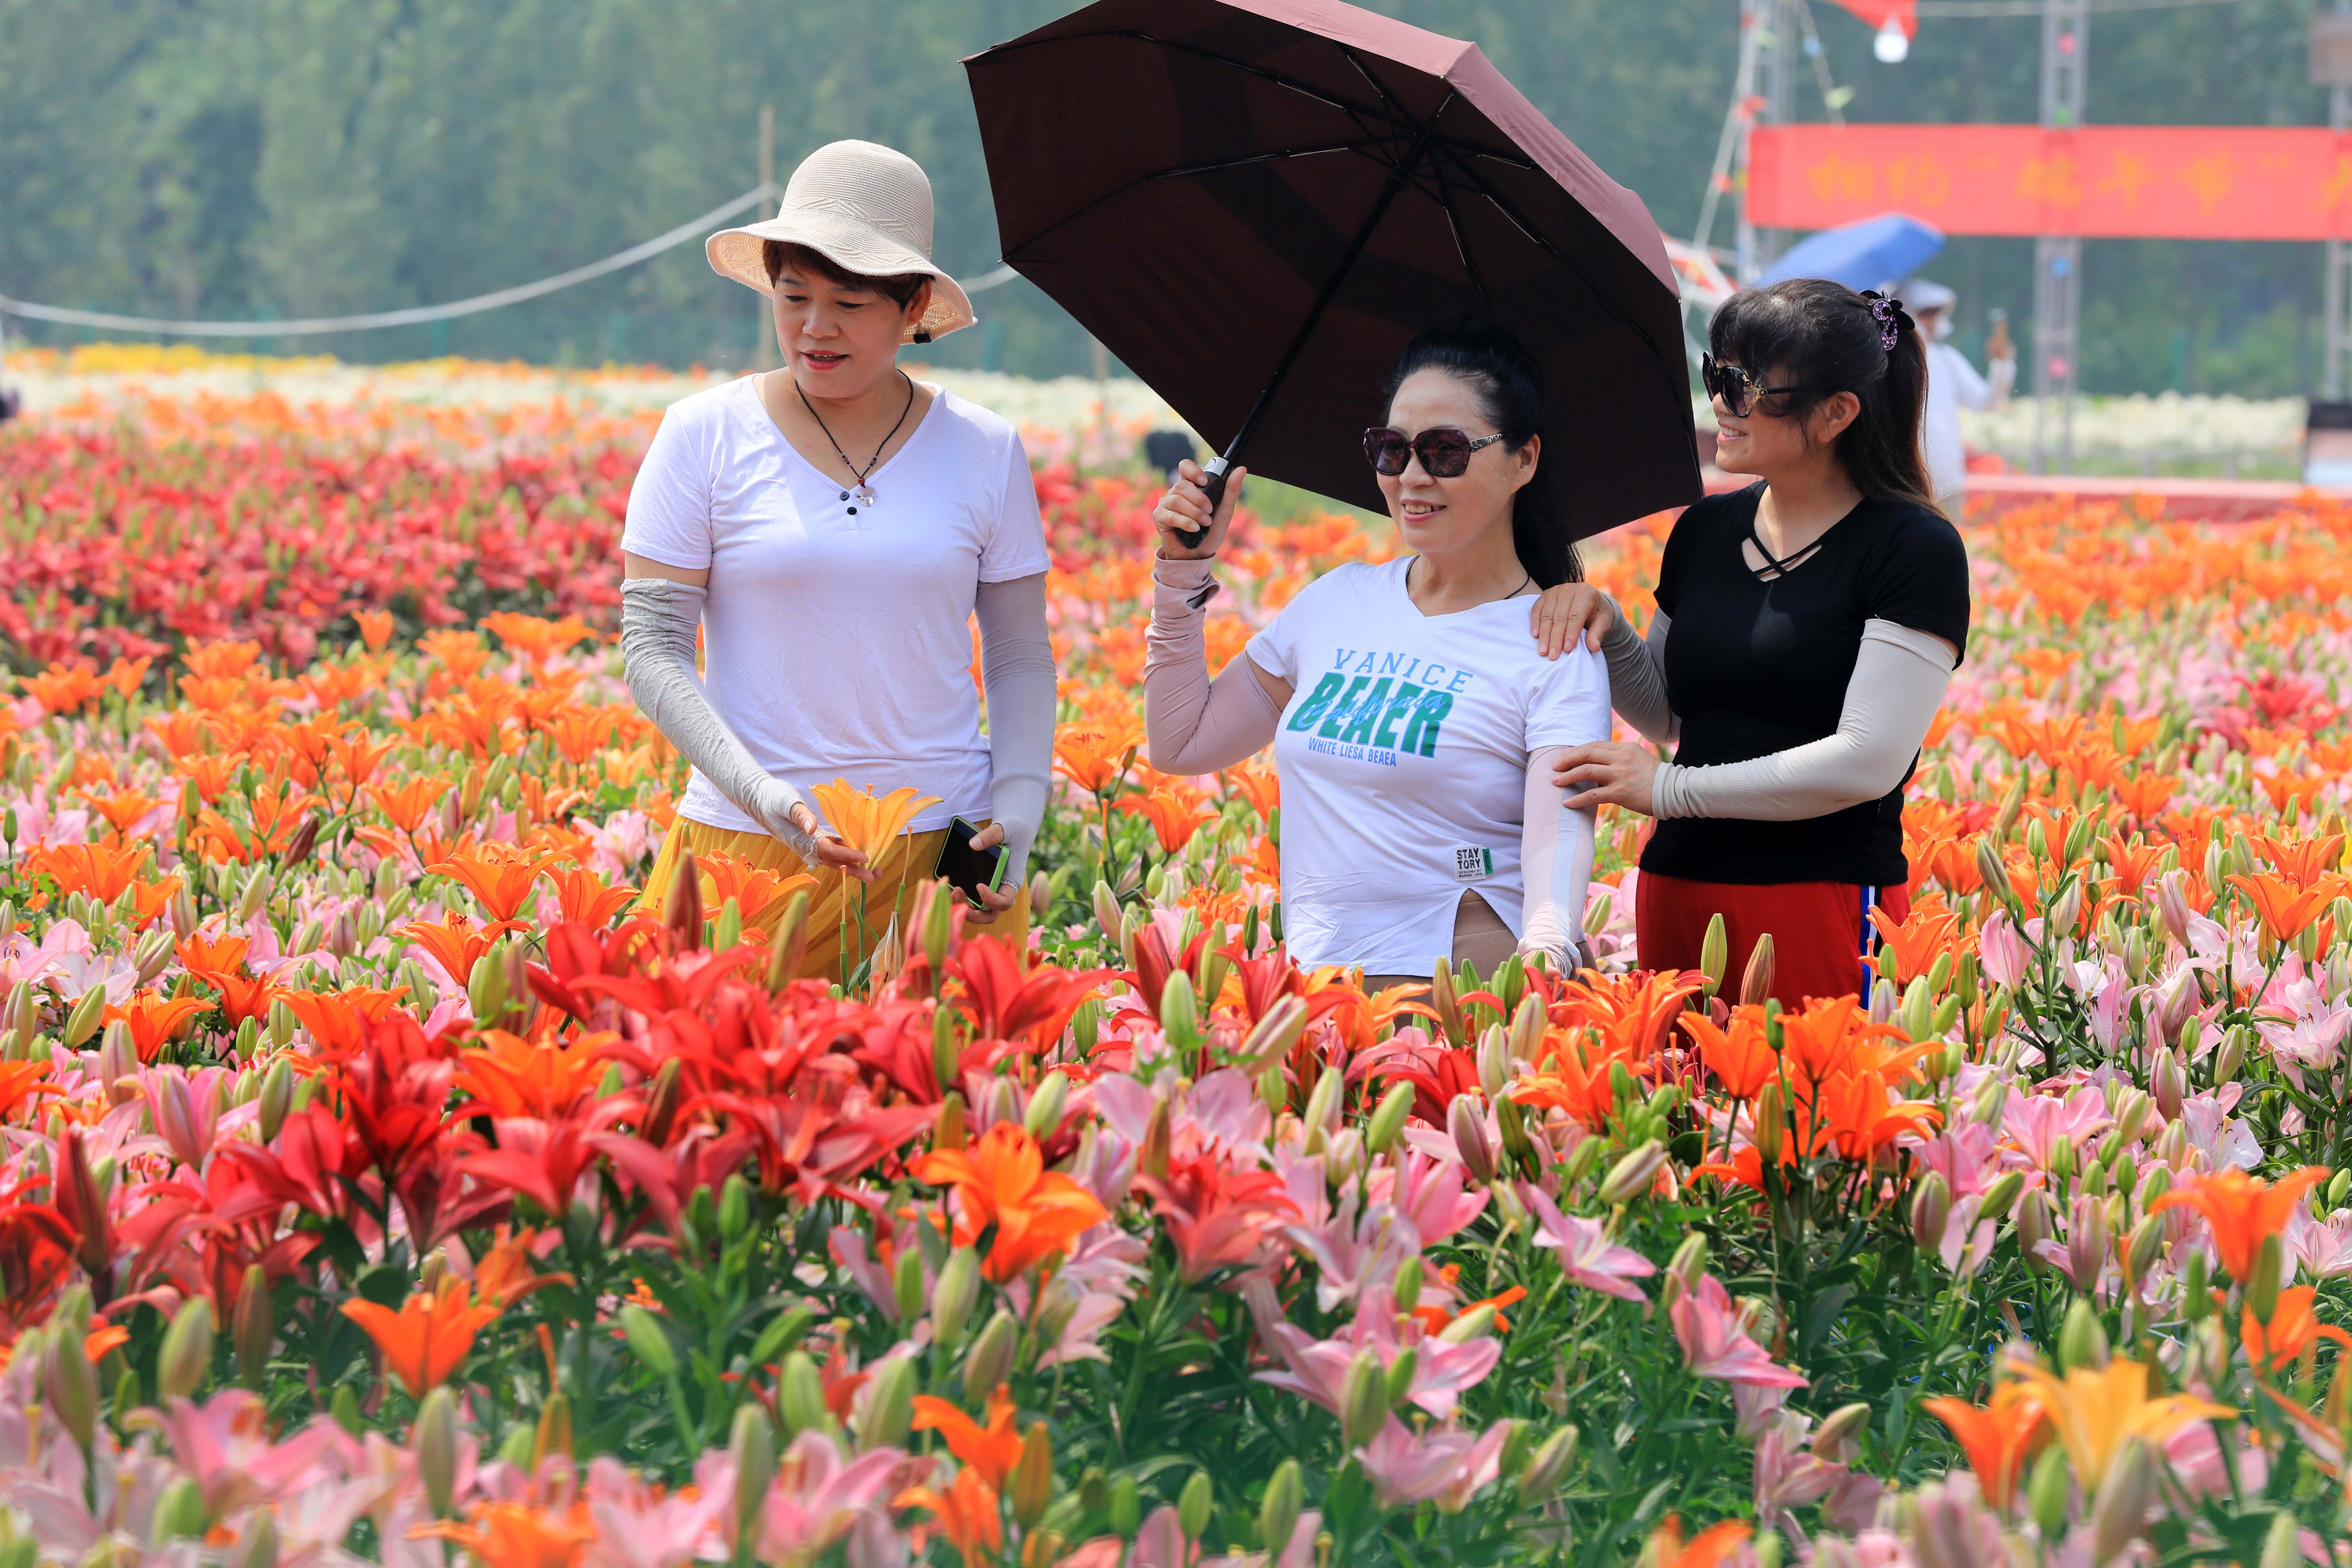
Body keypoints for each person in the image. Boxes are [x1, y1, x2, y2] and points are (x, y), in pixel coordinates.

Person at [620, 140, 1057, 980]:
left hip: (947, 845)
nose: (813, 329)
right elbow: (653, 652)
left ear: (914, 306)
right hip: (748, 839)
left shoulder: (983, 448)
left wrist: (1020, 812)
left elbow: (1017, 655)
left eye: (849, 304)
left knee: (936, 1099)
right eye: (793, 298)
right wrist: (768, 798)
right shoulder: (702, 434)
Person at [1526, 279, 1970, 1007]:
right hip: (1678, 883)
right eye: (1715, 375)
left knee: (1804, 1116)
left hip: (1818, 894)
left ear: (1836, 413)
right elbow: (1673, 714)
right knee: (1680, 1114)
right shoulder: (1704, 529)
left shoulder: (1911, 547)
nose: (1721, 404)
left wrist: (1667, 788)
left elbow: (1868, 760)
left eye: (1743, 384)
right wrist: (1604, 626)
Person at [1145, 318, 1609, 991]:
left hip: (1462, 988)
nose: (1412, 476)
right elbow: (1180, 743)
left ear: (1524, 459)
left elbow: (1556, 840)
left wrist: (1544, 954)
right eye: (1392, 448)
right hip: (1311, 986)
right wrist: (1181, 572)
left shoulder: (1552, 641)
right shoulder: (1336, 603)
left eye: (1445, 450)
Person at [1895, 279, 2012, 520]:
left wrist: (2002, 364)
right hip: (1906, 482)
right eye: (1927, 313)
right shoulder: (1893, 358)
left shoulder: (1947, 359)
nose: (1934, 320)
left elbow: (1984, 402)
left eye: (1936, 313)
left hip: (1948, 482)